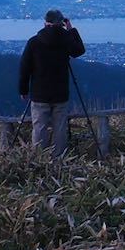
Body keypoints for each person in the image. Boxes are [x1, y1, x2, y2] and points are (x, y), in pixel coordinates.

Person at [18, 9, 85, 155]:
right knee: (60, 128)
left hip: (39, 93)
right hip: (60, 93)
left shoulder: (34, 42)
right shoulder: (66, 40)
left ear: (45, 23)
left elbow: (25, 67)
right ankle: (59, 159)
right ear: (61, 23)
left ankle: (39, 159)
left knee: (39, 127)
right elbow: (79, 50)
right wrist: (71, 29)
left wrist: (23, 90)